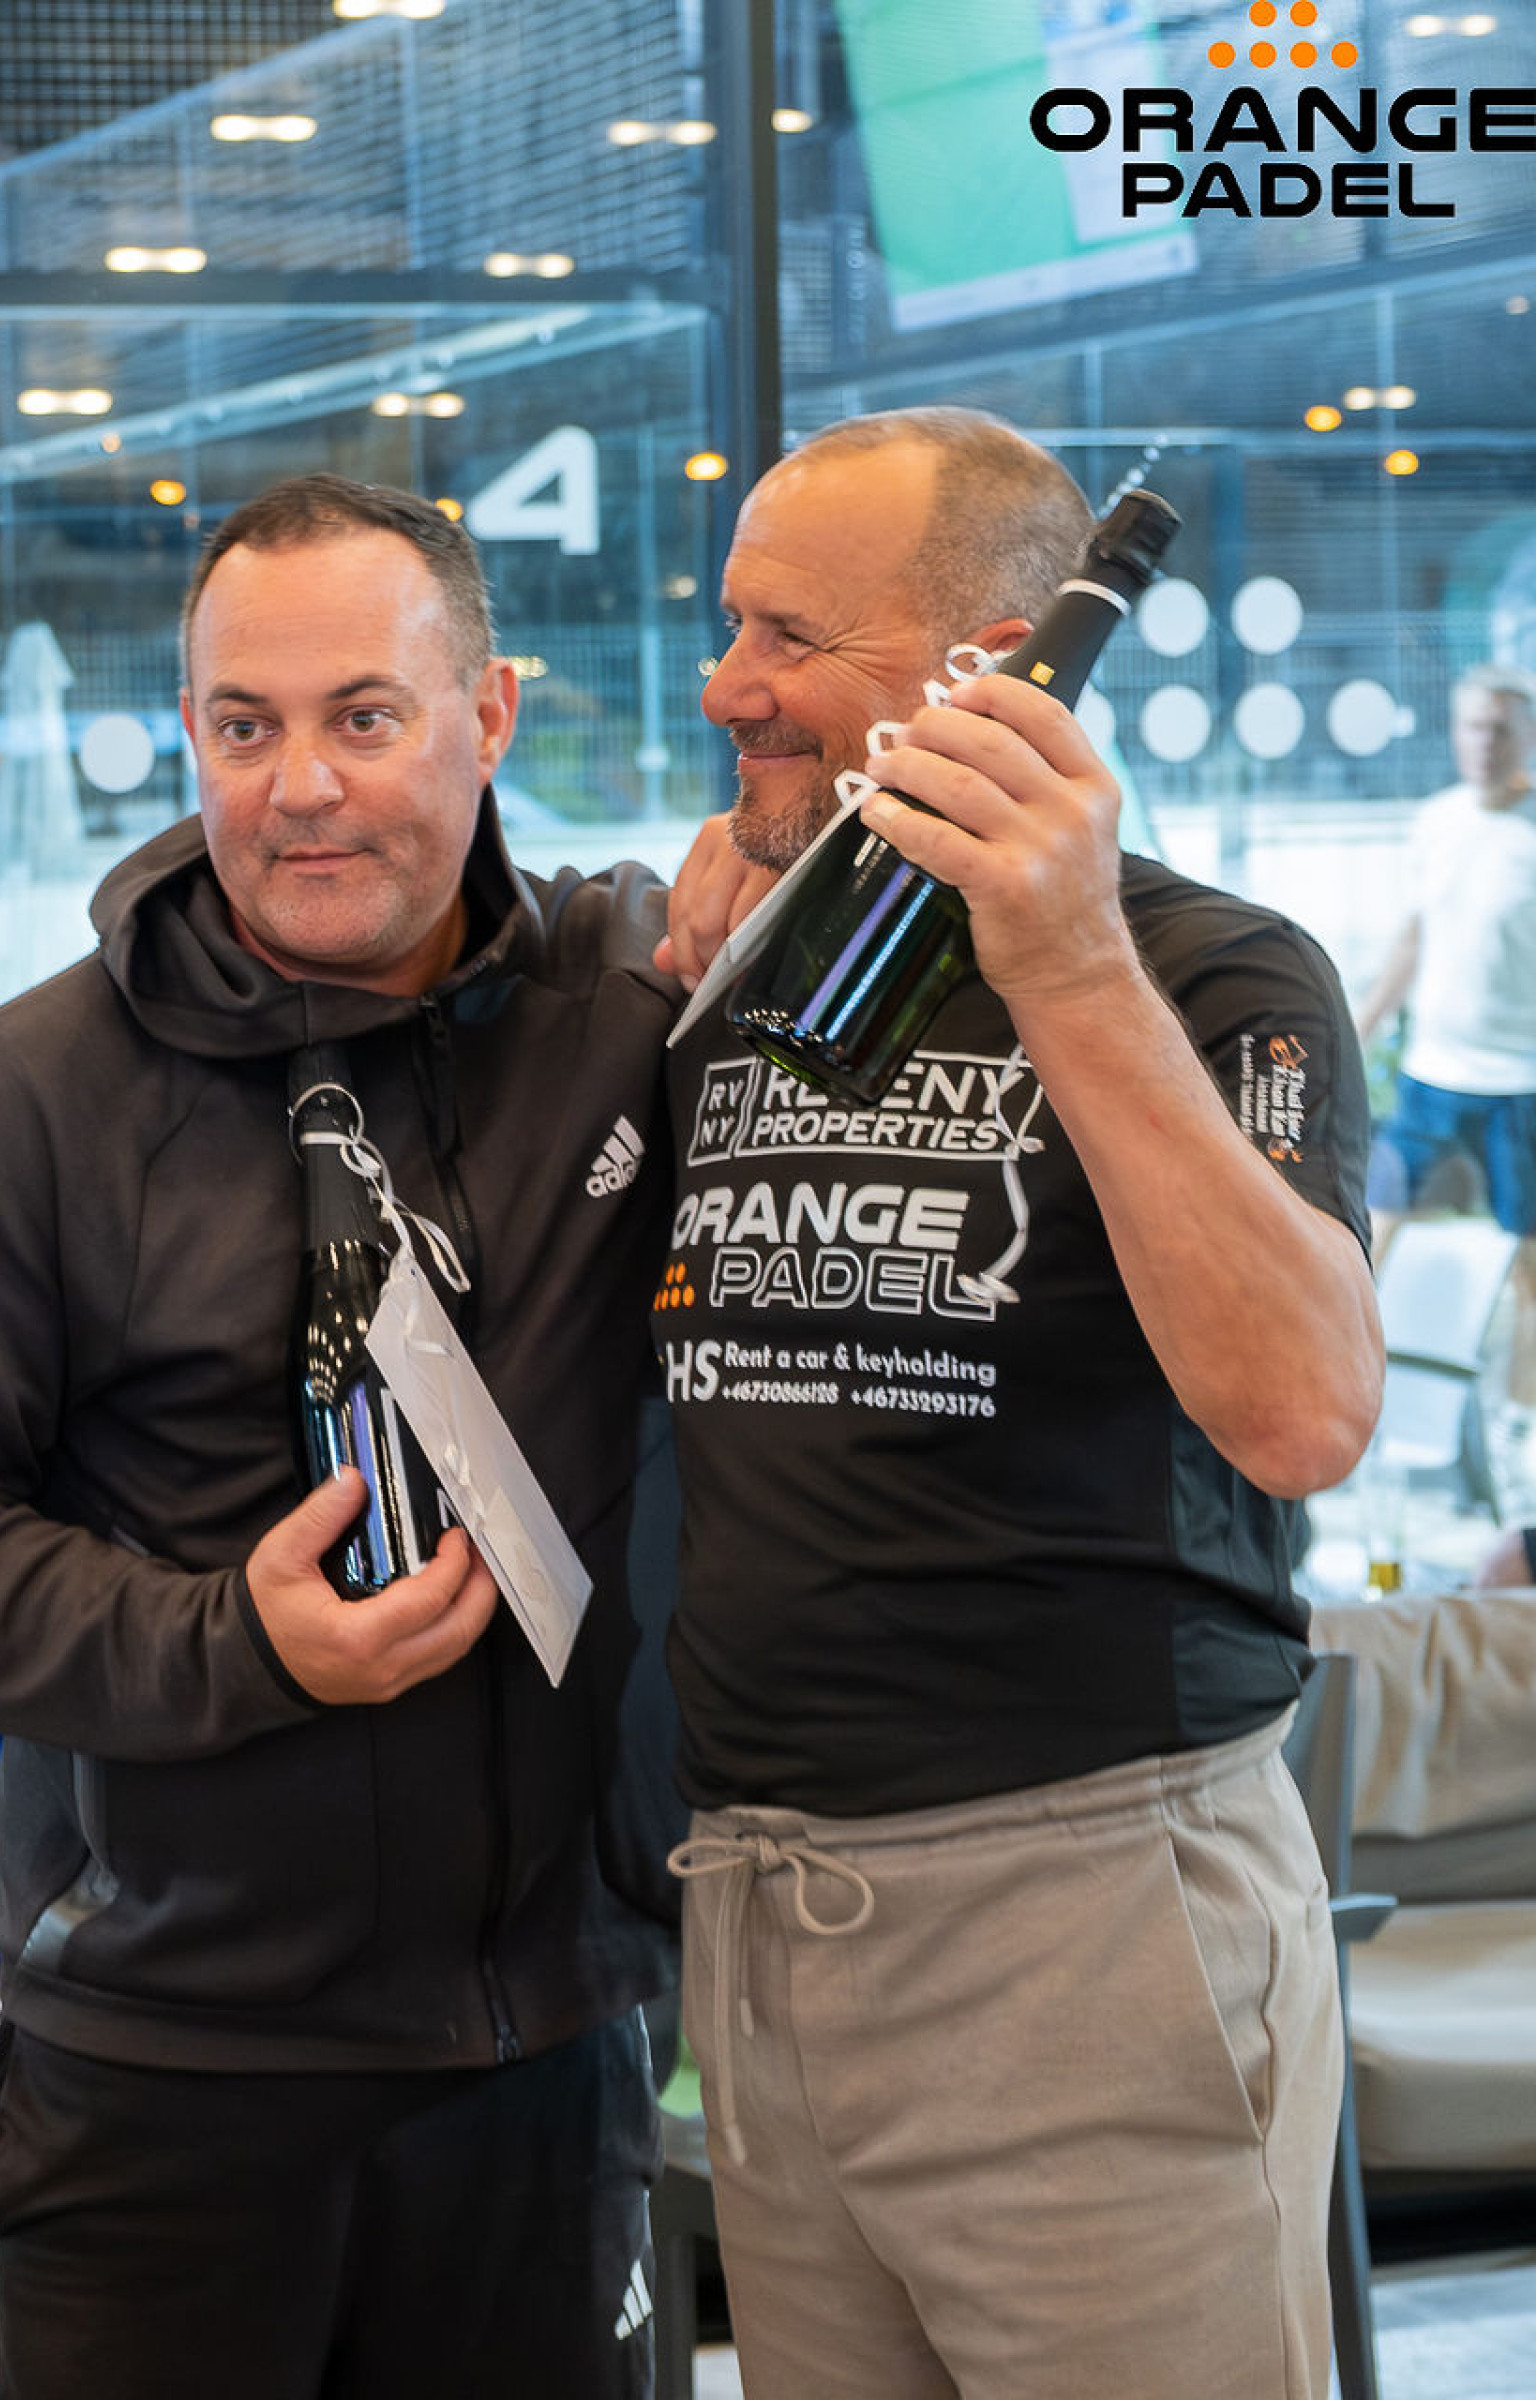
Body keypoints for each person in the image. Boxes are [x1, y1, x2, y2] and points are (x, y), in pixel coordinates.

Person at [0, 475, 686, 2400]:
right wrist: (233, 1643)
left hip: (550, 2063)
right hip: (166, 2086)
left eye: (365, 716)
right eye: (242, 725)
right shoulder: (33, 1096)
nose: (302, 787)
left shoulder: (626, 1020)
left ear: (490, 714)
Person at [656, 407, 1385, 2400]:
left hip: (1092, 1931)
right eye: (730, 626)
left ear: (991, 671)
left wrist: (1061, 966)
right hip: (765, 1918)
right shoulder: (742, 975)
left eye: (788, 637)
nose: (727, 687)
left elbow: (1306, 1414)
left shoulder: (1211, 974)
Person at [1358, 662, 1536, 1436]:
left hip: (1521, 1083)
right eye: (1472, 726)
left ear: (1527, 735)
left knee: (1529, 1267)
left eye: (1500, 728)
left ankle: (1522, 1427)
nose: (1484, 742)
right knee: (1373, 1231)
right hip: (1432, 1075)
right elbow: (1415, 935)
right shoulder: (1436, 821)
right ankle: (1346, 1389)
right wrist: (1360, 1026)